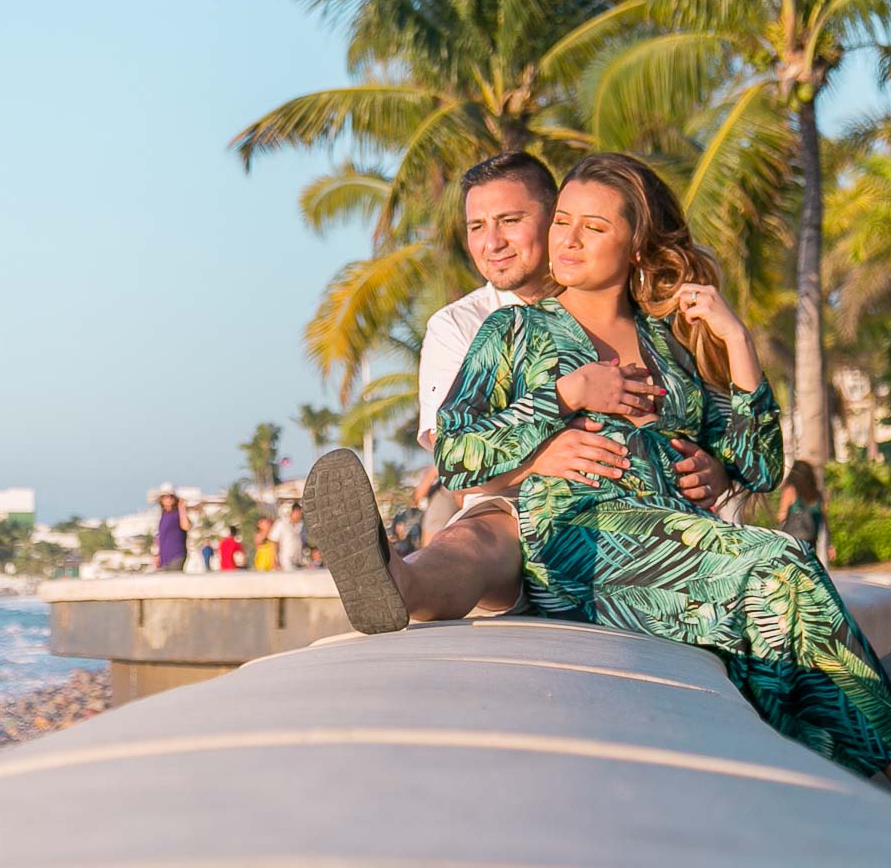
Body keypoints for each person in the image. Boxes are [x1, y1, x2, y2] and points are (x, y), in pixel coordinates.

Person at [322, 152, 891, 848]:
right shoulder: (513, 331)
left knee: (775, 601)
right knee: (777, 565)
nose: (566, 240)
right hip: (575, 535)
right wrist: (566, 396)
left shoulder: (668, 343)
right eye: (562, 221)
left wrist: (736, 343)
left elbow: (761, 464)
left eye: (591, 228)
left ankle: (818, 805)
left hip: (673, 539)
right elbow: (456, 453)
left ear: (636, 247)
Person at [311, 151, 732, 627]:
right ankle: (399, 585)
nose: (492, 242)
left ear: (557, 218)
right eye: (476, 227)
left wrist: (717, 468)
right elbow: (457, 469)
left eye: (510, 221)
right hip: (512, 503)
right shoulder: (462, 324)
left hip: (632, 506)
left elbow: (715, 421)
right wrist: (540, 458)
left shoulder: (639, 312)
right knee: (477, 539)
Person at [777, 458, 829, 561]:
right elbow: (824, 519)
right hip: (811, 540)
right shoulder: (817, 494)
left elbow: (781, 516)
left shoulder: (790, 491)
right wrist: (829, 544)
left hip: (792, 541)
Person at [153, 491, 187, 572]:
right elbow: (160, 536)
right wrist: (156, 555)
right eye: (165, 497)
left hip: (176, 554)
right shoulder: (163, 515)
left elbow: (186, 526)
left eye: (170, 497)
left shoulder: (177, 513)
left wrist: (182, 508)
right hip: (164, 557)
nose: (168, 500)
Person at [275, 502, 306, 569]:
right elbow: (274, 542)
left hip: (298, 559)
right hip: (285, 560)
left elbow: (304, 543)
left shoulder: (301, 525)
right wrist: (275, 560)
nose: (299, 514)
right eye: (297, 512)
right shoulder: (281, 524)